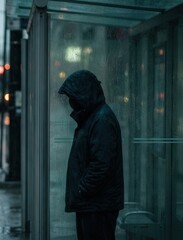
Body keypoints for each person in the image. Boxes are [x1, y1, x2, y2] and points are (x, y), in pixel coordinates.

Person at [58, 70, 124, 240]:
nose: (70, 102)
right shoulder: (93, 117)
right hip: (93, 203)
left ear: (83, 95)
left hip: (97, 205)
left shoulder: (101, 119)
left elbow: (101, 164)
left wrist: (83, 189)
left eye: (73, 97)